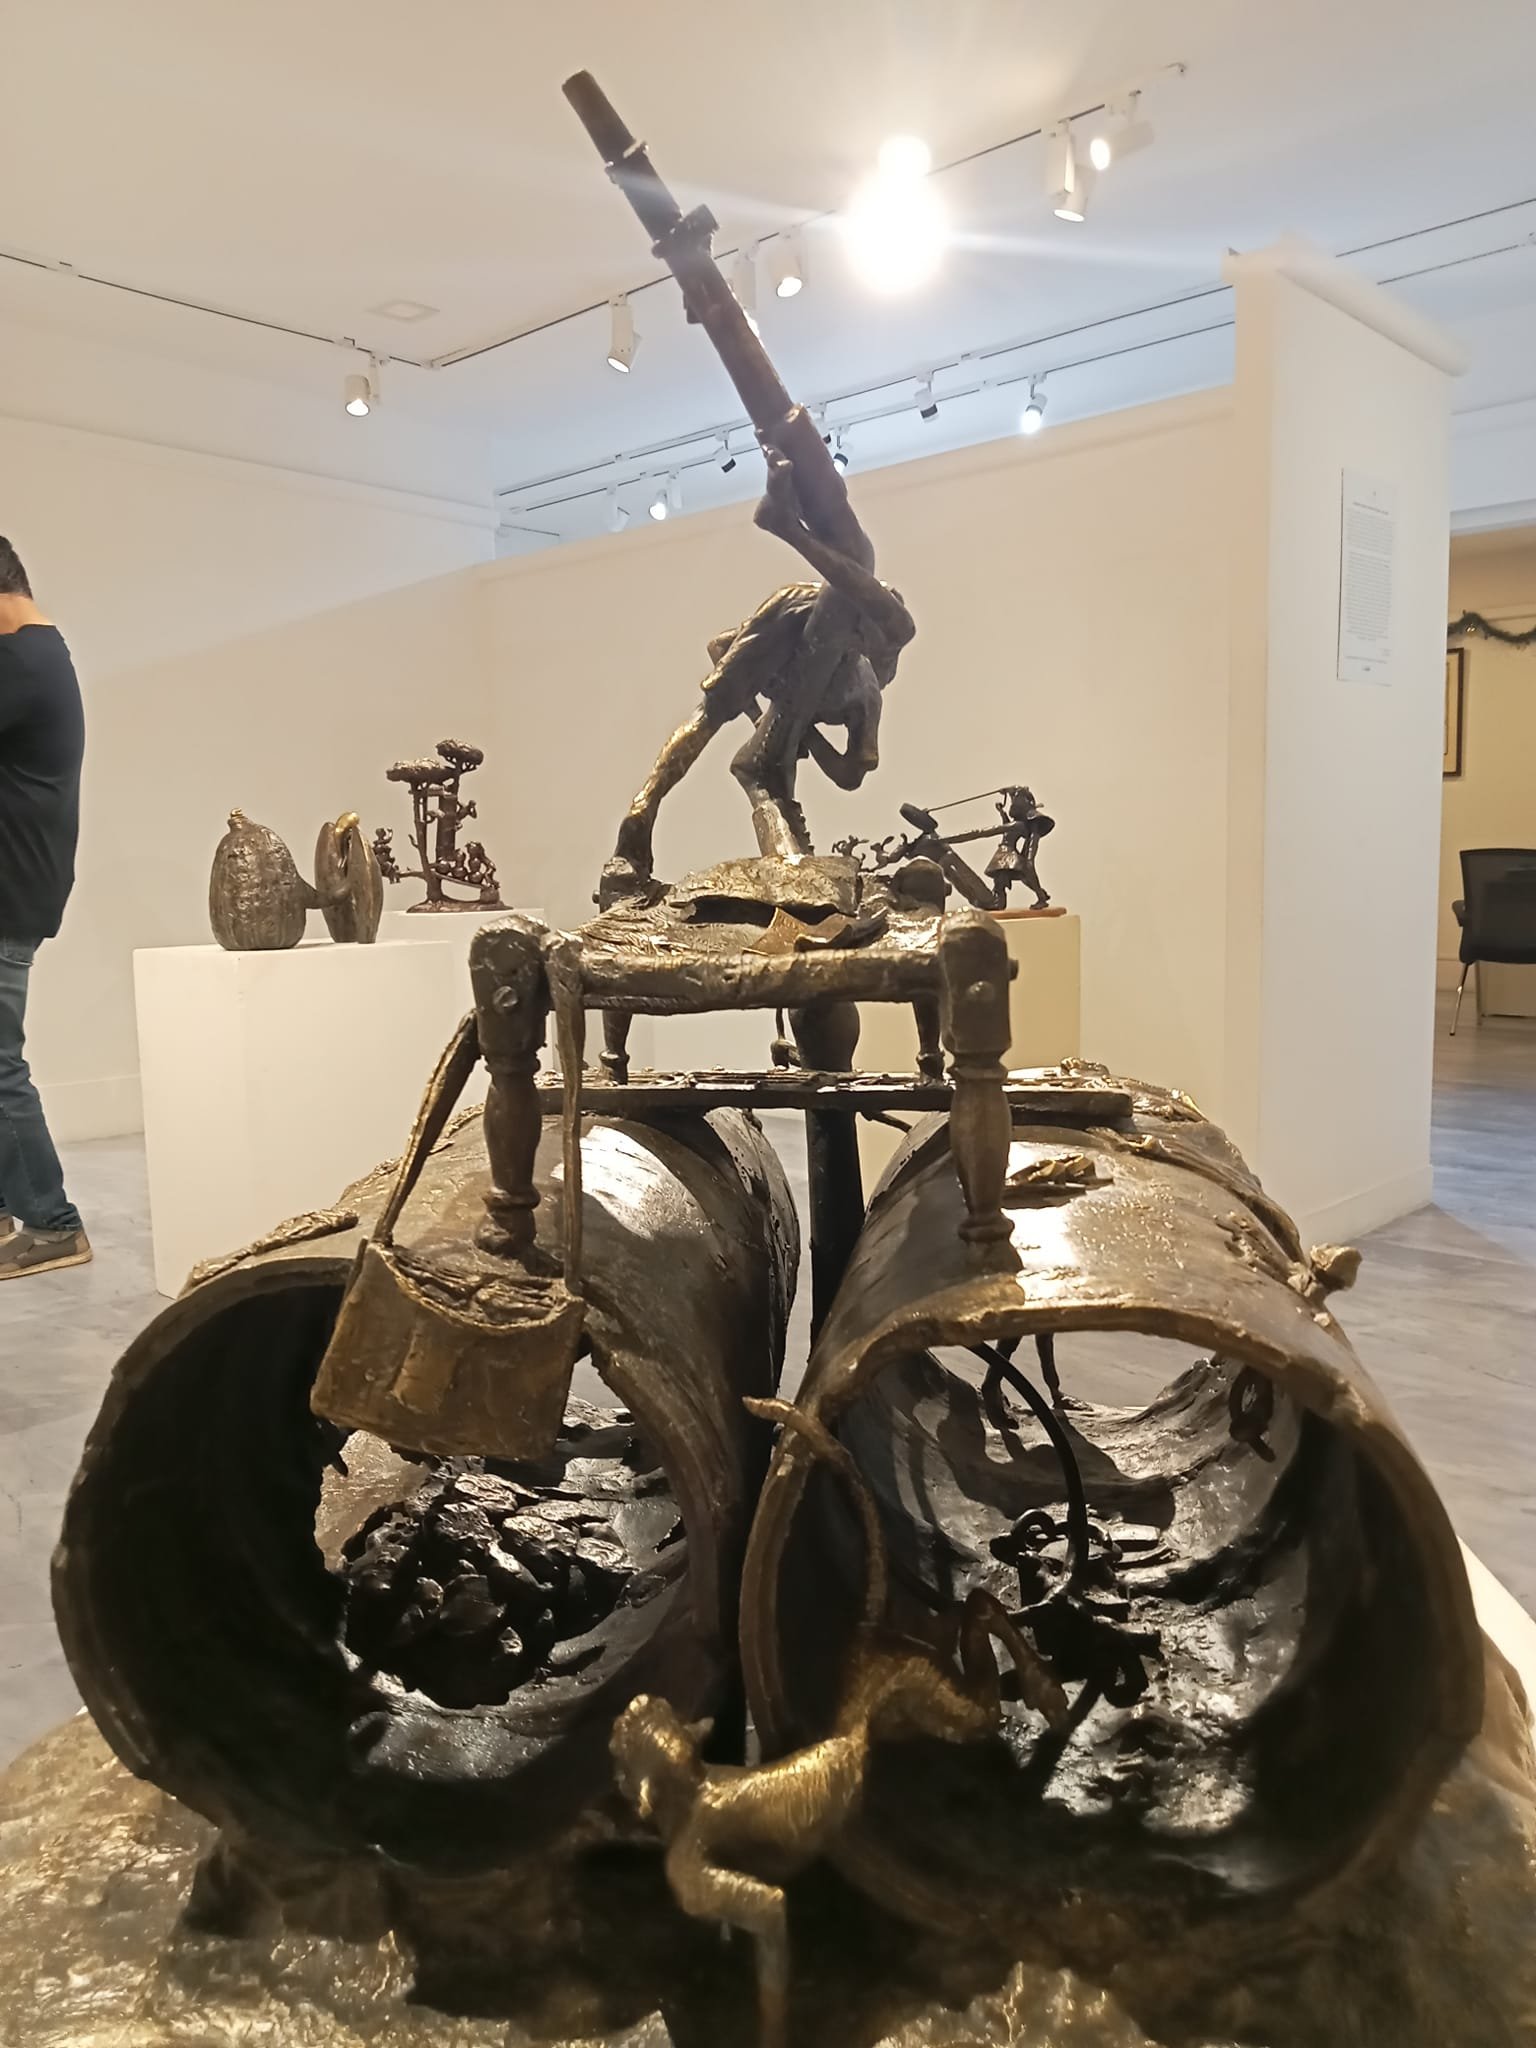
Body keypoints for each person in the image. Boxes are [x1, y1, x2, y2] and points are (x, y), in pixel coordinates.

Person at [0, 537, 90, 1276]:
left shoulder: (23, 663)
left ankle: (52, 1224)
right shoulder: (39, 655)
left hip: (8, 891)